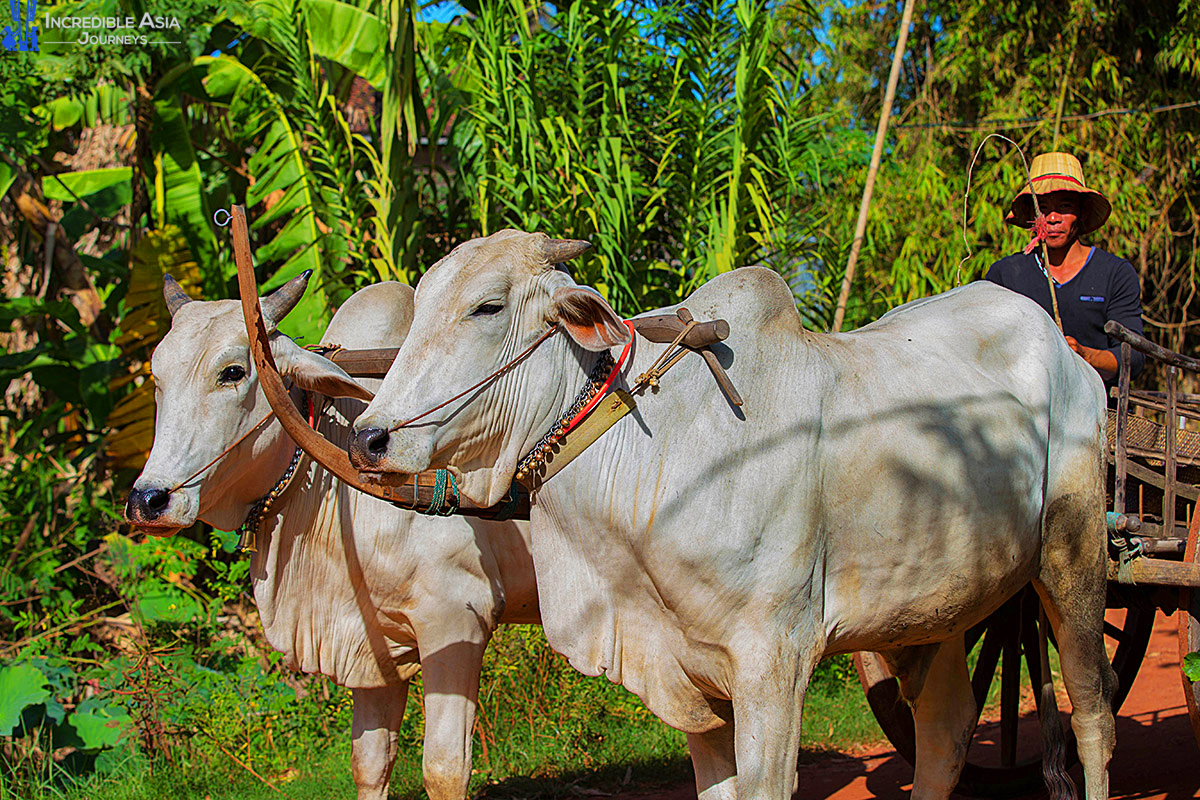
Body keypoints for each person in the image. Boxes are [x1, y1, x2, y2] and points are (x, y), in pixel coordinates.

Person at [985, 152, 1144, 390]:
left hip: (1099, 410)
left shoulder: (1115, 274)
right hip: (1022, 410)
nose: (1052, 218)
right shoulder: (1005, 275)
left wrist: (1085, 356)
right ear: (1031, 216)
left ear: (1082, 212)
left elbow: (1134, 358)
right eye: (1043, 208)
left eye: (1065, 207)